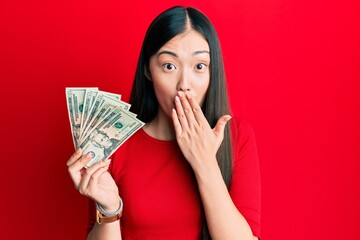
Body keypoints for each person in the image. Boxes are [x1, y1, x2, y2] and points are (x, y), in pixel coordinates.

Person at [67, 6, 261, 240]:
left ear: (212, 72)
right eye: (169, 66)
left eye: (199, 66)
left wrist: (205, 163)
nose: (184, 84)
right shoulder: (115, 141)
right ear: (148, 70)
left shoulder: (237, 136)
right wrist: (109, 209)